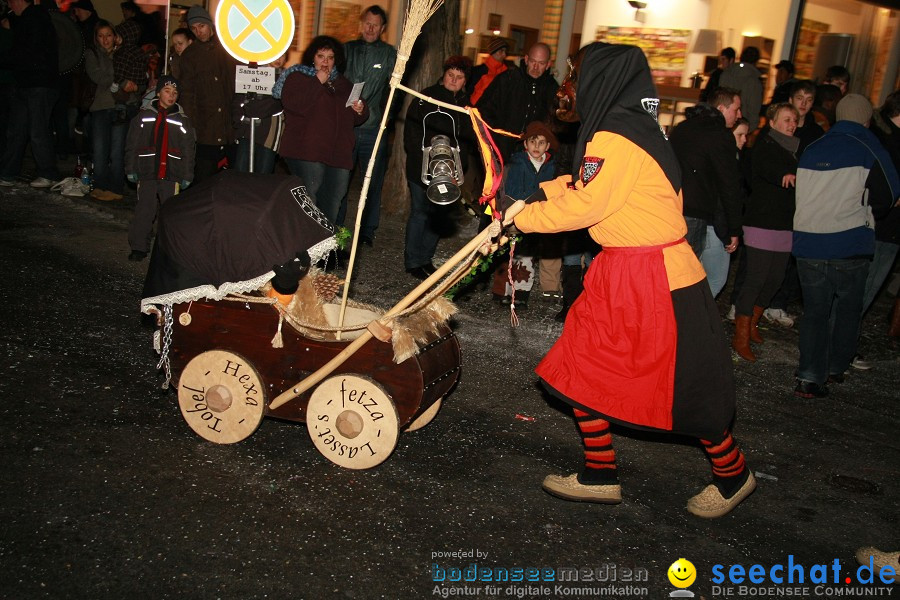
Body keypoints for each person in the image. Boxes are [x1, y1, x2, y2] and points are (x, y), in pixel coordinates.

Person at [504, 43, 755, 519]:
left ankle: (733, 473)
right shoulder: (628, 130)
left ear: (603, 80)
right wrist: (535, 193)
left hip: (655, 280)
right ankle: (600, 473)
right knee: (583, 366)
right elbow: (585, 186)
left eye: (577, 76)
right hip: (625, 271)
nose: (569, 86)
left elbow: (587, 206)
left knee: (684, 387)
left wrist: (523, 220)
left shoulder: (617, 137)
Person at [792, 94, 899, 398]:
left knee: (815, 312)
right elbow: (890, 193)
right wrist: (867, 209)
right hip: (848, 242)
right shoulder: (869, 146)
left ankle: (809, 377)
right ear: (866, 119)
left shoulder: (813, 147)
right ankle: (836, 366)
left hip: (809, 241)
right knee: (848, 310)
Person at [732, 103, 799, 362]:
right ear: (772, 123)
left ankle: (752, 323)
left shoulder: (794, 149)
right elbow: (766, 170)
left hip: (784, 224)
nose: (791, 124)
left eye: (794, 120)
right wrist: (785, 175)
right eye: (786, 120)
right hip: (762, 222)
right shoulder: (764, 145)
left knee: (775, 279)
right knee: (756, 278)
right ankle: (740, 335)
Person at [276, 35, 368, 223]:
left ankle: (324, 247)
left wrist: (360, 109)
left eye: (330, 57)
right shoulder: (298, 77)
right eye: (321, 56)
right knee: (309, 201)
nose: (325, 61)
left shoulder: (343, 84)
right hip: (307, 152)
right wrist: (316, 81)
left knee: (333, 201)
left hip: (338, 154)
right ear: (312, 57)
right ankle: (303, 246)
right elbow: (294, 104)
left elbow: (358, 117)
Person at [403, 56, 473, 279]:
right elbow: (411, 131)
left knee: (439, 214)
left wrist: (461, 166)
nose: (454, 80)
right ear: (443, 75)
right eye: (450, 75)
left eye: (459, 77)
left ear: (465, 80)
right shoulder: (425, 98)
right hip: (422, 168)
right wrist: (421, 159)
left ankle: (426, 258)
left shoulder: (466, 105)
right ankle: (413, 261)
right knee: (420, 213)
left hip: (449, 171)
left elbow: (468, 138)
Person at [340, 5, 397, 246]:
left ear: (382, 28)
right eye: (367, 23)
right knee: (341, 179)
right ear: (361, 24)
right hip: (346, 128)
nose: (371, 28)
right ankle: (337, 229)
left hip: (374, 127)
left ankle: (367, 231)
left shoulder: (388, 54)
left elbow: (396, 90)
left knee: (372, 181)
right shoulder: (347, 50)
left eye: (376, 24)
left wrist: (388, 118)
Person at [124, 75, 195, 262]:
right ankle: (139, 247)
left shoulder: (182, 120)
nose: (171, 96)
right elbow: (132, 143)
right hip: (147, 171)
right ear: (158, 93)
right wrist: (130, 168)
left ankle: (170, 249)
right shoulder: (143, 116)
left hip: (172, 174)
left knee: (170, 213)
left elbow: (189, 149)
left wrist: (187, 174)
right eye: (167, 91)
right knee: (144, 210)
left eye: (175, 93)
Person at [668, 87, 743, 265]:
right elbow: (729, 184)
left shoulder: (682, 128)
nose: (739, 115)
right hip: (695, 213)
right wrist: (734, 228)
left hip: (671, 207)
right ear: (722, 109)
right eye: (736, 109)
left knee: (671, 269)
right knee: (687, 272)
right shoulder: (720, 135)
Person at [490, 120, 559, 308]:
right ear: (526, 143)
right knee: (511, 251)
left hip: (540, 216)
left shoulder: (551, 167)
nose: (536, 146)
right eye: (533, 141)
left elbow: (552, 190)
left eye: (541, 142)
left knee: (528, 255)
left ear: (548, 146)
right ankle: (502, 290)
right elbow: (512, 191)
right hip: (517, 213)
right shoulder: (517, 162)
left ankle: (521, 292)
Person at [0, 0, 60, 189]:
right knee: (16, 129)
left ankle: (48, 173)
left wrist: (5, 60)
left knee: (37, 130)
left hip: (39, 84)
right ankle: (8, 172)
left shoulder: (36, 19)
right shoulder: (26, 19)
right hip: (25, 83)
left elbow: (26, 52)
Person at [177, 5, 235, 182]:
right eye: (194, 28)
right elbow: (187, 93)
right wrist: (190, 125)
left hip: (229, 126)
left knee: (229, 179)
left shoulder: (227, 49)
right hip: (205, 128)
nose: (198, 31)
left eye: (201, 26)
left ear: (210, 25)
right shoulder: (190, 56)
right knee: (204, 176)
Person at [477, 42, 558, 160]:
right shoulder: (507, 79)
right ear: (526, 59)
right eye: (533, 61)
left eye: (541, 63)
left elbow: (554, 124)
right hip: (499, 150)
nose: (535, 67)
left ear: (548, 64)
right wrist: (495, 139)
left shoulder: (552, 89)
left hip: (533, 155)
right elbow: (484, 110)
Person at [700, 116, 750, 298]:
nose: (745, 140)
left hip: (704, 224)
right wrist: (730, 232)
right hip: (715, 228)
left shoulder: (718, 158)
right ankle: (695, 318)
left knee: (699, 278)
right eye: (740, 135)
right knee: (715, 279)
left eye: (746, 135)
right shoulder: (728, 163)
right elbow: (726, 200)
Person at [84, 20, 127, 201]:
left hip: (120, 107)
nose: (105, 40)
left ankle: (116, 187)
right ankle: (100, 185)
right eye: (101, 36)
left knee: (117, 150)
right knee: (100, 149)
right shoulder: (92, 53)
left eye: (108, 35)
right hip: (100, 106)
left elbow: (133, 75)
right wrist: (120, 77)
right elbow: (98, 76)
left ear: (115, 36)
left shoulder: (123, 54)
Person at [232, 54, 286, 174]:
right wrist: (239, 123)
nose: (278, 59)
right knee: (241, 171)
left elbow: (275, 105)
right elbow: (238, 99)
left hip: (270, 132)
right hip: (247, 130)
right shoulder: (251, 73)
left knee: (263, 173)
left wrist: (251, 109)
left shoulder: (285, 78)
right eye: (276, 55)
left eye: (283, 56)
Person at [719, 46, 763, 132]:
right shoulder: (754, 81)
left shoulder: (726, 74)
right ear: (756, 61)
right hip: (741, 126)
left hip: (722, 122)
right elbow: (754, 109)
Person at [467, 37, 509, 105]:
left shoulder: (506, 72)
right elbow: (469, 92)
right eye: (501, 51)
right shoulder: (479, 71)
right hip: (476, 109)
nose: (504, 55)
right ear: (493, 52)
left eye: (505, 51)